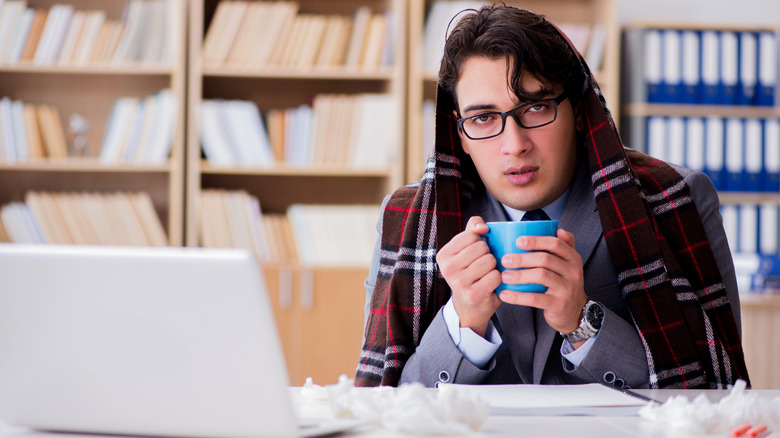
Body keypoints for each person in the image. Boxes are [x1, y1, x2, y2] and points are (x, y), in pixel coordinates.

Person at [356, 4, 749, 389]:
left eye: (536, 107)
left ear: (578, 111)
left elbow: (716, 392)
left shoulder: (675, 197)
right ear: (460, 135)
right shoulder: (404, 218)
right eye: (483, 118)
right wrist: (463, 321)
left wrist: (583, 322)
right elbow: (383, 403)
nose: (515, 145)